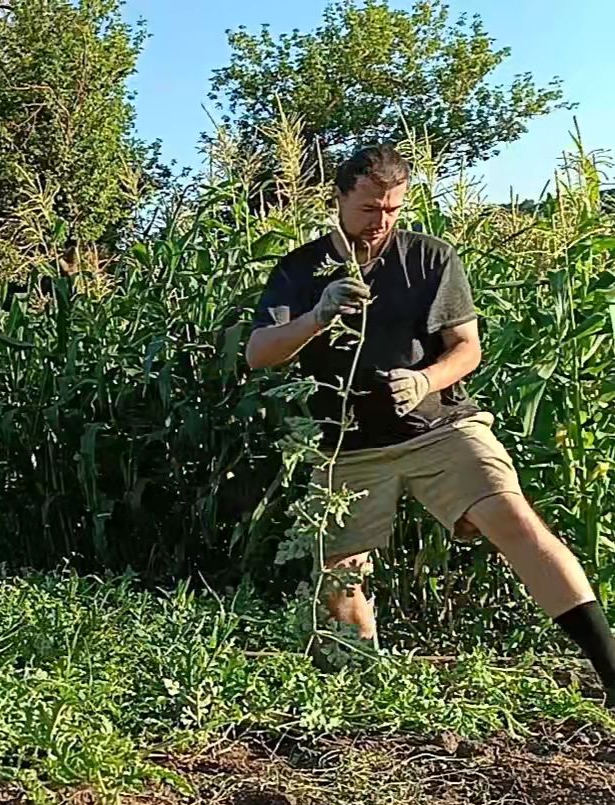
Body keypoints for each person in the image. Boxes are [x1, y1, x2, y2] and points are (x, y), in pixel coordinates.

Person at [244, 142, 615, 700]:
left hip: (439, 427)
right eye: (369, 209)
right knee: (341, 571)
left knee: (515, 519)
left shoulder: (431, 258)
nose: (381, 222)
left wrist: (424, 380)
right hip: (348, 444)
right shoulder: (302, 268)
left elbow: (466, 350)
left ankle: (609, 667)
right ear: (339, 199)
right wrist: (317, 316)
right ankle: (363, 693)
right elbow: (258, 353)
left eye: (393, 209)